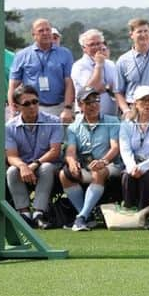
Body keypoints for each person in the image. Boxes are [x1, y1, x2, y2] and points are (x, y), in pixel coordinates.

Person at [59, 86, 121, 231]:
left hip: (111, 165)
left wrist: (103, 161)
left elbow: (115, 148)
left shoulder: (112, 121)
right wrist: (72, 162)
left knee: (98, 172)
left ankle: (81, 217)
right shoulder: (73, 127)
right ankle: (86, 216)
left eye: (96, 101)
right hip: (87, 166)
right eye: (88, 102)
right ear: (80, 105)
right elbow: (70, 150)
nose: (93, 105)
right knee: (64, 174)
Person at [4, 84, 63, 229]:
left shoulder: (54, 121)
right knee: (12, 170)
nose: (32, 106)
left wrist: (34, 164)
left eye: (35, 101)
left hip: (47, 165)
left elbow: (55, 151)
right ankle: (24, 214)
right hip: (24, 167)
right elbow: (11, 156)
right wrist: (23, 166)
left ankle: (39, 213)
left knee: (46, 167)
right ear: (16, 106)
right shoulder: (9, 127)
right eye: (27, 103)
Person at [8, 19, 75, 123]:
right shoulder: (22, 55)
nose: (45, 33)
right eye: (41, 31)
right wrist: (13, 110)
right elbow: (13, 86)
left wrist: (67, 108)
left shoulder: (65, 53)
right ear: (33, 34)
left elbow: (69, 82)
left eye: (48, 30)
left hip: (59, 107)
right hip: (31, 108)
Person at [70, 28, 121, 118]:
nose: (96, 47)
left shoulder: (111, 64)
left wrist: (106, 88)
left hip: (111, 117)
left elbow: (117, 89)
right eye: (92, 45)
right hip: (88, 117)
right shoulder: (79, 66)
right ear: (84, 48)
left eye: (98, 43)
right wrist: (98, 65)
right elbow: (92, 89)